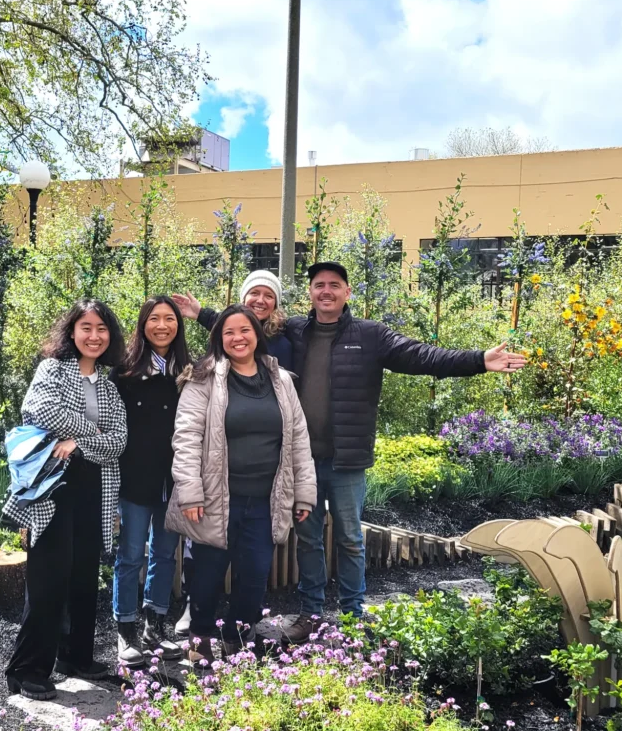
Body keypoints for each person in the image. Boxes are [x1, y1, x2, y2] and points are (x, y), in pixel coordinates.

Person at [280, 261, 528, 644]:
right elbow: (243, 327)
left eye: (334, 285)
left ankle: (352, 617)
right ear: (309, 293)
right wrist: (200, 315)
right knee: (309, 540)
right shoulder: (294, 331)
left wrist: (479, 360)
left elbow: (423, 357)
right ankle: (311, 613)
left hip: (346, 462)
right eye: (318, 285)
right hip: (302, 463)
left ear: (347, 293)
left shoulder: (370, 335)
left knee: (349, 538)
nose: (325, 291)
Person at [165, 304, 316, 666]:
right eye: (229, 332)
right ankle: (200, 638)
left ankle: (237, 636)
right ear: (219, 337)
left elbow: (298, 438)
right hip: (215, 498)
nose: (238, 338)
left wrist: (305, 493)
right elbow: (186, 438)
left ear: (256, 334)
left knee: (254, 576)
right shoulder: (202, 378)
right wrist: (190, 491)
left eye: (244, 330)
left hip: (266, 500)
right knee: (207, 574)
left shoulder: (281, 381)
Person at [3, 299, 127, 701]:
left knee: (83, 574)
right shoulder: (52, 370)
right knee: (49, 577)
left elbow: (120, 440)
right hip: (54, 487)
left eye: (102, 329)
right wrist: (93, 434)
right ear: (72, 332)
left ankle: (75, 657)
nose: (94, 336)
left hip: (95, 485)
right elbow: (37, 409)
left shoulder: (109, 384)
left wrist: (77, 442)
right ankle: (27, 669)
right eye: (86, 327)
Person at [108, 296, 191, 667]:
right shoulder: (124, 371)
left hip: (174, 481)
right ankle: (125, 630)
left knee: (164, 554)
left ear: (178, 324)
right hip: (135, 479)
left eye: (169, 319)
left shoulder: (190, 370)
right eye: (154, 319)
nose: (162, 325)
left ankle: (154, 626)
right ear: (143, 325)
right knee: (130, 555)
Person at [173, 269, 292, 369]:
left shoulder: (281, 345)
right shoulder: (223, 330)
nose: (260, 301)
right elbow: (218, 321)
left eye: (269, 296)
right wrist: (199, 313)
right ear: (243, 299)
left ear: (275, 304)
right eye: (254, 293)